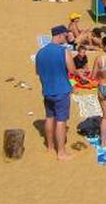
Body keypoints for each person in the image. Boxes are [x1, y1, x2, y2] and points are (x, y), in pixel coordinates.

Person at [35, 25, 75, 161]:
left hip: (47, 90)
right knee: (61, 121)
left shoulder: (40, 52)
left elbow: (38, 72)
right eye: (65, 36)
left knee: (49, 118)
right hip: (61, 90)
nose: (66, 38)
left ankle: (50, 147)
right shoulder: (63, 51)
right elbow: (72, 69)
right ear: (59, 35)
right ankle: (61, 152)